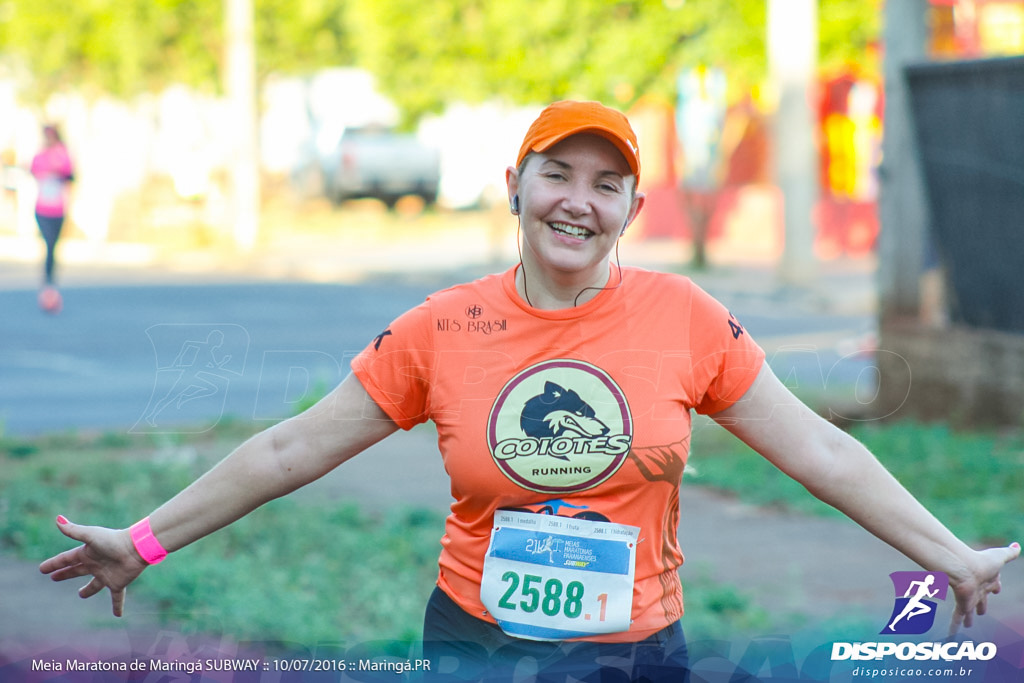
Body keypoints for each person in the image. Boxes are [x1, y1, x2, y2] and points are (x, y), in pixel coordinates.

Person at [39, 101, 1018, 682]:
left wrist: (948, 553)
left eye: (605, 184)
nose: (577, 202)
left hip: (636, 648)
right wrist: (145, 539)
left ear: (632, 206)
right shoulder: (439, 326)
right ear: (516, 184)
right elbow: (292, 448)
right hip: (476, 640)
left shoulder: (683, 317)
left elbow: (824, 451)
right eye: (558, 174)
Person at [30, 124, 75, 313]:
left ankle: (51, 281)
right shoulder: (39, 156)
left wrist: (59, 175)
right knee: (48, 244)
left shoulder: (63, 155)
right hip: (42, 208)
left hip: (58, 208)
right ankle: (48, 284)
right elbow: (33, 171)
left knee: (54, 246)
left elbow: (72, 177)